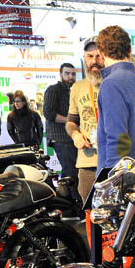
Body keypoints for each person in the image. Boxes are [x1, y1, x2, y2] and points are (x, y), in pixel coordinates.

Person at [95, 25, 135, 173]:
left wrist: (112, 180)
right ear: (130, 51)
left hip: (122, 176)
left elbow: (117, 141)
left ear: (101, 53)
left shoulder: (111, 83)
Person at [66, 38, 103, 204]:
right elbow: (71, 121)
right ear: (84, 58)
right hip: (87, 162)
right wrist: (75, 134)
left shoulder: (115, 83)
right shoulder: (78, 87)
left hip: (113, 162)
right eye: (90, 56)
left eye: (98, 56)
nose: (94, 61)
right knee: (89, 210)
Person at [43, 62, 80, 202]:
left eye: (73, 74)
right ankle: (75, 204)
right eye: (67, 73)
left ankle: (66, 204)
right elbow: (48, 113)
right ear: (60, 74)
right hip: (61, 138)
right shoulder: (54, 90)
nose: (71, 76)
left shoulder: (74, 90)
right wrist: (70, 121)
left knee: (69, 172)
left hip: (72, 138)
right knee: (71, 173)